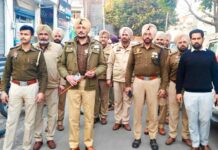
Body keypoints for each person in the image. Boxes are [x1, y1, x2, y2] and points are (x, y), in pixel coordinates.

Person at [58, 18, 106, 150]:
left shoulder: (97, 45)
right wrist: (67, 76)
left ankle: (88, 143)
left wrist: (95, 72)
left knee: (89, 117)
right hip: (73, 85)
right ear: (75, 29)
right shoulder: (68, 45)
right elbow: (60, 64)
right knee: (73, 117)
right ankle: (74, 145)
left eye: (83, 28)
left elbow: (103, 64)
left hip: (90, 85)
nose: (81, 30)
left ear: (88, 29)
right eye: (78, 28)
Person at [1, 25, 48, 150]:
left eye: (26, 34)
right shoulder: (13, 51)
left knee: (29, 121)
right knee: (11, 120)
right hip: (15, 87)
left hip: (31, 87)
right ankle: (7, 147)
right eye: (21, 34)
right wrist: (3, 91)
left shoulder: (38, 54)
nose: (23, 36)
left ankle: (26, 147)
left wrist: (41, 92)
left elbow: (43, 74)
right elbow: (6, 73)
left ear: (31, 36)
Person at [125, 23, 168, 150]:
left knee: (153, 111)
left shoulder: (160, 50)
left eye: (150, 34)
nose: (147, 36)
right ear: (142, 35)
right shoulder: (135, 49)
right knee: (137, 111)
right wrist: (127, 85)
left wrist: (163, 87)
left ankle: (152, 137)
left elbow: (164, 70)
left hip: (154, 82)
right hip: (138, 81)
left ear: (153, 35)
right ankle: (137, 137)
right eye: (145, 33)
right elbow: (129, 68)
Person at [176, 29, 218, 150]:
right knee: (192, 120)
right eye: (193, 39)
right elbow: (180, 75)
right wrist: (178, 92)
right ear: (191, 40)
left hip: (206, 94)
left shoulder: (210, 54)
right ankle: (195, 144)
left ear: (203, 39)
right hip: (189, 94)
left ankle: (204, 143)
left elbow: (215, 74)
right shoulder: (186, 56)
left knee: (205, 120)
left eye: (198, 38)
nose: (196, 41)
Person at [33, 25, 63, 150]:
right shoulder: (33, 48)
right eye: (41, 34)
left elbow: (62, 66)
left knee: (52, 114)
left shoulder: (57, 48)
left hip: (53, 86)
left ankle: (50, 137)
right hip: (37, 87)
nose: (43, 36)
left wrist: (62, 83)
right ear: (37, 35)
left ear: (49, 36)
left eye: (46, 34)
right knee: (37, 114)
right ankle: (38, 139)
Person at [165, 33, 192, 146]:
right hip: (173, 85)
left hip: (189, 87)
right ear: (176, 44)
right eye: (180, 42)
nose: (182, 44)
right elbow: (166, 72)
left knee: (187, 113)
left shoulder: (193, 55)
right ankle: (172, 134)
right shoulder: (171, 56)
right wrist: (165, 87)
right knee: (173, 111)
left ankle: (186, 136)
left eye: (184, 42)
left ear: (188, 43)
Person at [107, 27, 133, 131]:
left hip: (129, 80)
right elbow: (110, 64)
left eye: (126, 35)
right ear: (120, 36)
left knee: (127, 101)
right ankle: (118, 121)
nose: (124, 36)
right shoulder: (115, 48)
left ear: (130, 37)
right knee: (117, 101)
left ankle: (125, 121)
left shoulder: (134, 49)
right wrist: (109, 78)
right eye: (123, 34)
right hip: (117, 79)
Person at [94, 30, 113, 125]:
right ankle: (95, 116)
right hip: (95, 76)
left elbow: (111, 64)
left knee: (105, 98)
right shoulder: (95, 47)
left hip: (105, 77)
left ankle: (104, 116)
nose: (103, 39)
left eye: (105, 37)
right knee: (95, 97)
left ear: (108, 39)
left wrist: (110, 78)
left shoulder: (111, 49)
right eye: (101, 37)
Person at [52, 27, 67, 131]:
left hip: (62, 79)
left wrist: (62, 82)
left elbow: (65, 65)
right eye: (55, 36)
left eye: (59, 36)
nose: (57, 38)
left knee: (61, 102)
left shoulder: (65, 48)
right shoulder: (47, 47)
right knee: (51, 104)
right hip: (50, 80)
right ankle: (50, 123)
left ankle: (60, 122)